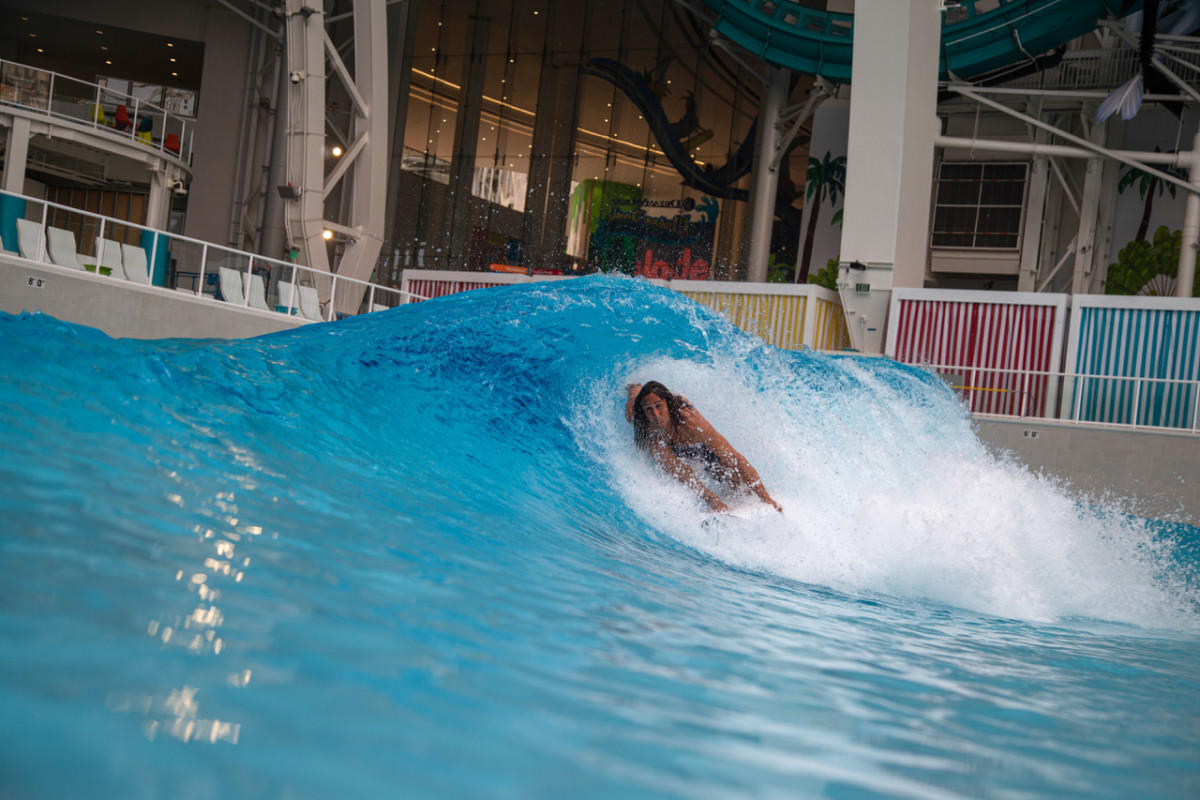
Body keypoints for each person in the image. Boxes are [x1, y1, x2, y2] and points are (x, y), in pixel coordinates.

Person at [625, 381, 782, 514]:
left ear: (667, 403)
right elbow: (683, 474)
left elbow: (734, 457)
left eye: (659, 406)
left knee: (734, 479)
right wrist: (712, 499)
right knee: (631, 410)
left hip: (691, 441)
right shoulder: (649, 431)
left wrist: (765, 498)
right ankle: (635, 389)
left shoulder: (692, 424)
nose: (656, 415)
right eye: (649, 410)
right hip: (667, 443)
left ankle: (660, 396)